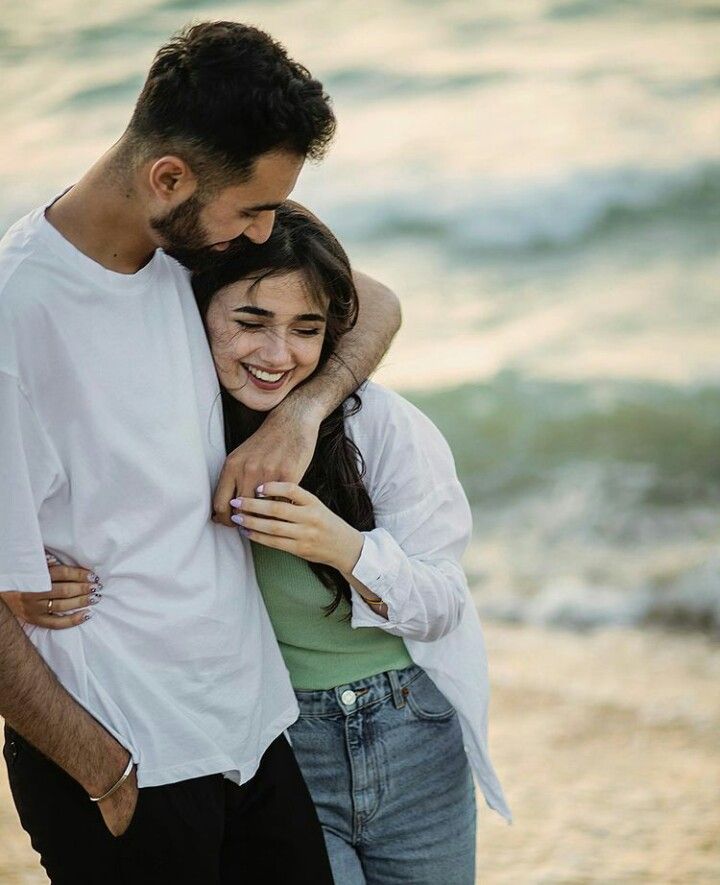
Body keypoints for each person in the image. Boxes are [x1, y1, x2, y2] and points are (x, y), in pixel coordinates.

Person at [0, 21, 400, 884]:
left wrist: (297, 416)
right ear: (169, 176)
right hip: (125, 757)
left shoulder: (189, 251)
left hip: (250, 735)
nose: (264, 233)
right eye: (253, 208)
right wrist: (103, 768)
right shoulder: (17, 314)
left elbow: (372, 302)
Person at [32, 204, 511, 883]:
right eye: (250, 323)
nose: (277, 354)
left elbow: (442, 606)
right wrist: (30, 573)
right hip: (285, 741)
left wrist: (343, 545)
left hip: (413, 730)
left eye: (305, 329)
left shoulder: (381, 427)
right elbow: (90, 499)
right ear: (195, 312)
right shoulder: (173, 437)